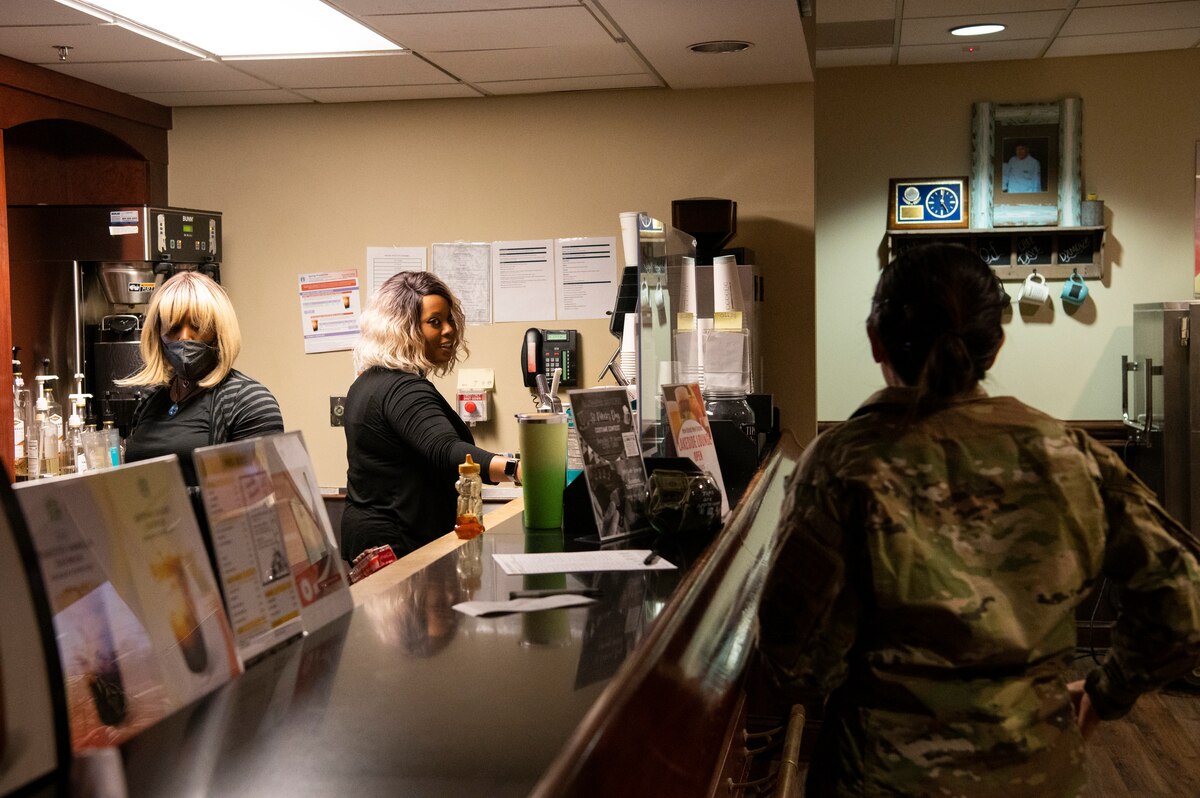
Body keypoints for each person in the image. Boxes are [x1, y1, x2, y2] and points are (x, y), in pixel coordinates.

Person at [756, 243, 1200, 797]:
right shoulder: (1070, 455)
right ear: (996, 346)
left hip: (881, 778)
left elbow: (792, 663)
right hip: (1042, 775)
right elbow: (1184, 603)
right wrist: (1107, 691)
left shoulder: (841, 464)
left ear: (876, 339)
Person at [341, 271, 520, 561]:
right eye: (435, 322)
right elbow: (445, 448)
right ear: (403, 328)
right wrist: (516, 470)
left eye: (450, 320)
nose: (449, 330)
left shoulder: (367, 383)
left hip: (370, 542)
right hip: (398, 547)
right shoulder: (403, 388)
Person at [121, 271, 283, 488]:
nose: (185, 338)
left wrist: (165, 499)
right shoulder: (151, 399)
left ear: (218, 331)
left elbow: (258, 497)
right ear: (158, 334)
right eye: (174, 328)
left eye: (197, 326)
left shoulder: (250, 401)